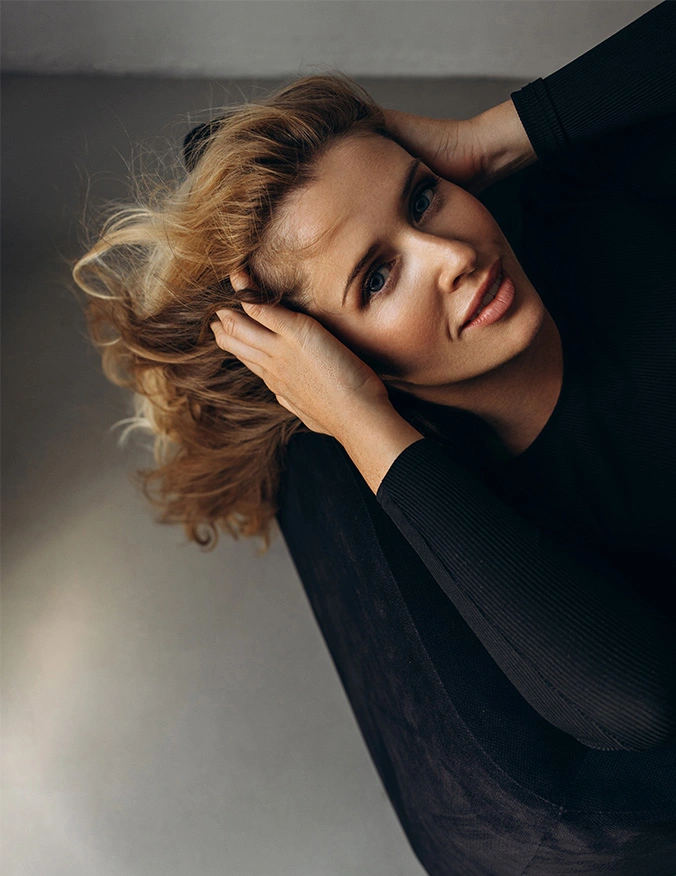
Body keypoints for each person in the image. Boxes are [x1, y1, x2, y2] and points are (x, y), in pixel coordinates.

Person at [73, 2, 676, 873]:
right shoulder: (486, 508)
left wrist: (501, 134)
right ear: (331, 359)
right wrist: (360, 421)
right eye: (378, 276)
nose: (451, 256)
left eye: (423, 195)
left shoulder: (587, 201)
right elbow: (638, 703)